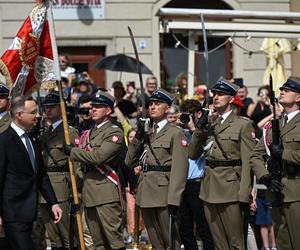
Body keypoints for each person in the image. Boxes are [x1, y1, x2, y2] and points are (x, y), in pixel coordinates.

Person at [189, 78, 256, 250]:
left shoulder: (243, 125)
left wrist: (244, 193)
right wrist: (199, 130)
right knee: (218, 243)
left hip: (231, 190)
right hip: (209, 189)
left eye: (221, 94)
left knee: (235, 243)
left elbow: (249, 162)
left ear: (232, 99)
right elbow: (192, 154)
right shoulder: (209, 123)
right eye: (214, 94)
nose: (216, 97)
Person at [125, 88, 189, 249]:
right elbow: (129, 160)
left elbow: (180, 169)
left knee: (171, 241)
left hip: (164, 193)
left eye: (157, 104)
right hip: (146, 192)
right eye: (151, 104)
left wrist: (174, 198)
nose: (152, 107)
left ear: (167, 108)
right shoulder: (146, 132)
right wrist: (138, 136)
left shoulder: (175, 133)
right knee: (155, 242)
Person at [64, 89, 126, 250]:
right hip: (89, 193)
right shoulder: (88, 132)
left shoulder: (114, 131)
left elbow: (99, 157)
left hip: (105, 193)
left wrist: (73, 152)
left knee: (114, 241)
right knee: (97, 243)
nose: (93, 110)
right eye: (92, 107)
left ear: (109, 110)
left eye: (98, 106)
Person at [0, 96, 62, 250]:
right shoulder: (4, 141)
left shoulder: (32, 140)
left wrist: (53, 202)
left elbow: (40, 175)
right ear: (19, 115)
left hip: (30, 212)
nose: (38, 115)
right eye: (33, 112)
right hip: (12, 212)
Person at [250, 76, 300, 250]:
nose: (282, 92)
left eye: (287, 90)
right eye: (281, 89)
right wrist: (265, 178)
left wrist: (284, 153)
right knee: (282, 242)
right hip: (276, 190)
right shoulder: (273, 126)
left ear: (298, 97)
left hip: (297, 193)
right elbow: (255, 156)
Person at [40, 91, 78, 249]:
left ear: (61, 108)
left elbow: (76, 162)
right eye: (46, 106)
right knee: (53, 236)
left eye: (52, 106)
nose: (48, 109)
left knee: (66, 235)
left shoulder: (69, 132)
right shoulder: (43, 132)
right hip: (43, 187)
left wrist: (76, 189)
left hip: (60, 186)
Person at [179, 99, 215, 250]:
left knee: (203, 227)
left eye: (190, 115)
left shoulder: (207, 131)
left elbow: (204, 148)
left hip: (198, 183)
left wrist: (195, 128)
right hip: (182, 184)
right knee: (185, 229)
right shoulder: (179, 133)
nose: (186, 119)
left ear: (199, 114)